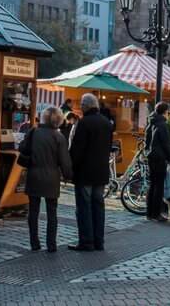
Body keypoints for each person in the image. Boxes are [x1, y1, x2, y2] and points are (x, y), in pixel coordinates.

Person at [21, 106, 72, 252]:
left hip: (34, 175)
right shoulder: (59, 137)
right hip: (52, 178)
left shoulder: (34, 132)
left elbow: (23, 148)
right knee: (52, 212)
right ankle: (51, 244)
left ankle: (34, 242)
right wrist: (69, 175)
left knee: (33, 211)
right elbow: (65, 161)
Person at [68, 93, 113, 251]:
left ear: (86, 106)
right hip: (101, 172)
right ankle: (99, 241)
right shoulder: (107, 123)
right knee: (98, 206)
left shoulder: (84, 123)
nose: (80, 107)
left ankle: (86, 241)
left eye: (81, 104)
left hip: (85, 173)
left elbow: (76, 150)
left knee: (84, 207)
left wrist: (70, 168)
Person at [144, 102, 170, 222]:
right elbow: (166, 143)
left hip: (151, 157)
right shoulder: (162, 125)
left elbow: (147, 142)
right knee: (159, 186)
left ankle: (149, 213)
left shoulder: (151, 123)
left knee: (152, 185)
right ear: (165, 111)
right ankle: (156, 213)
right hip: (160, 158)